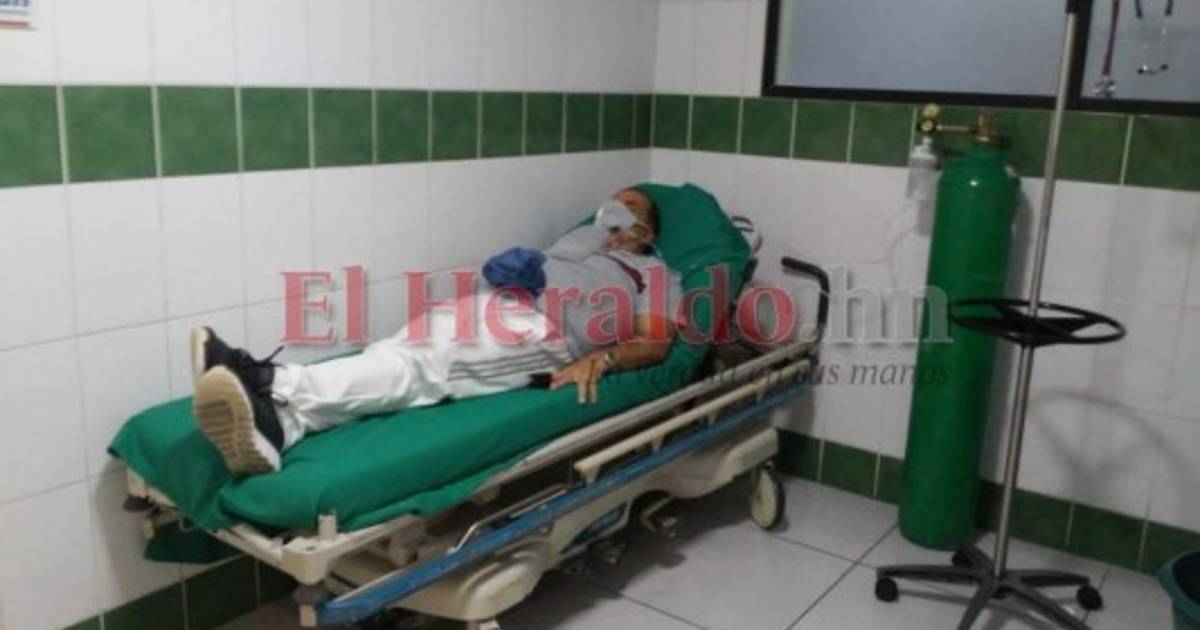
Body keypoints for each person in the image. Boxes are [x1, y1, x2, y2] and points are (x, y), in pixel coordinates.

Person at [190, 187, 683, 475]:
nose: (612, 212)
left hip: (546, 332)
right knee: (398, 352)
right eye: (610, 206)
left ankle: (274, 381)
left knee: (423, 364)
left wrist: (603, 357)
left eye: (628, 208)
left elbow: (655, 342)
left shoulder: (653, 274)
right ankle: (284, 425)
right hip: (497, 302)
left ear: (646, 232)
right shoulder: (576, 243)